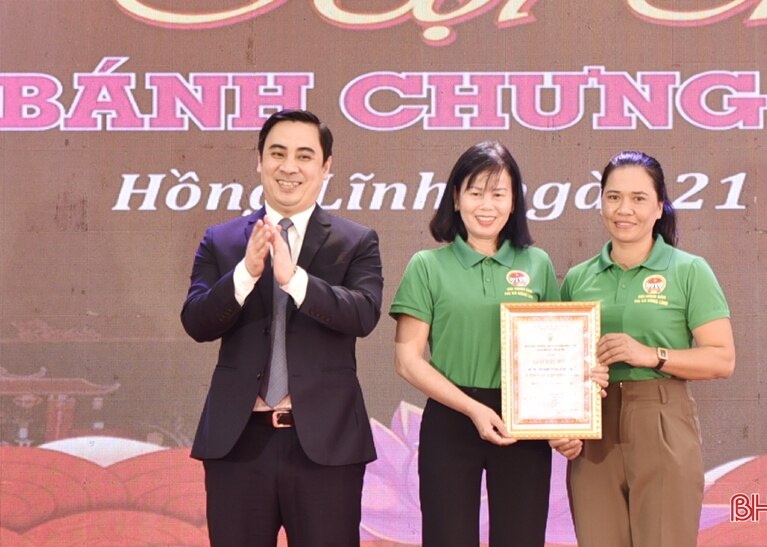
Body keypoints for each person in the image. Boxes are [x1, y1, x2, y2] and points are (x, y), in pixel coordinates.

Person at [181, 109, 383, 547]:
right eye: (277, 153)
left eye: (304, 155)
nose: (289, 167)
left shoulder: (356, 241)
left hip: (325, 445)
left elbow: (363, 314)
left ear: (326, 166)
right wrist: (245, 274)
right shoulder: (223, 240)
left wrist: (295, 281)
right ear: (259, 160)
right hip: (238, 444)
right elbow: (196, 322)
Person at [392, 141, 576, 546]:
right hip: (451, 416)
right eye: (475, 192)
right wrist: (473, 408)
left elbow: (559, 352)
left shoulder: (537, 264)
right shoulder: (427, 266)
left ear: (514, 203)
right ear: (456, 199)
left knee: (522, 537)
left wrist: (565, 423)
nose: (486, 204)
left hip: (523, 423)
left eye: (498, 193)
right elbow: (407, 359)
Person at [558, 151, 736, 547]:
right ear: (601, 203)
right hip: (594, 432)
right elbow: (562, 367)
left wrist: (651, 355)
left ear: (659, 207)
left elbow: (722, 358)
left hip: (662, 419)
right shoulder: (577, 279)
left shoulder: (689, 270)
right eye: (613, 197)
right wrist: (562, 427)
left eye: (639, 198)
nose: (625, 209)